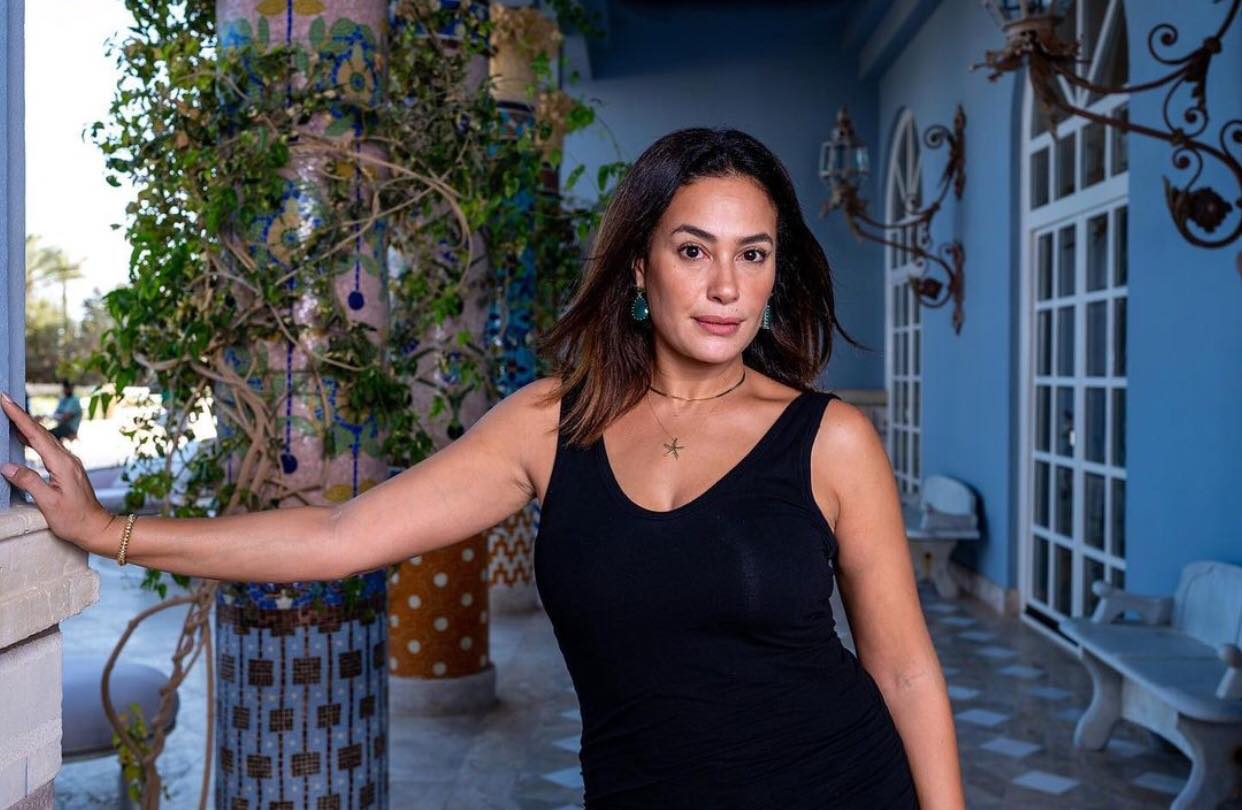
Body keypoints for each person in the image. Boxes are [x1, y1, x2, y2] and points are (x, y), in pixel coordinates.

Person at [1, 127, 964, 809]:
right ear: (639, 267)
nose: (724, 287)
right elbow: (338, 535)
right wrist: (109, 531)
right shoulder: (550, 425)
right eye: (692, 250)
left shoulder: (830, 439)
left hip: (840, 784)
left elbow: (904, 669)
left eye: (753, 255)